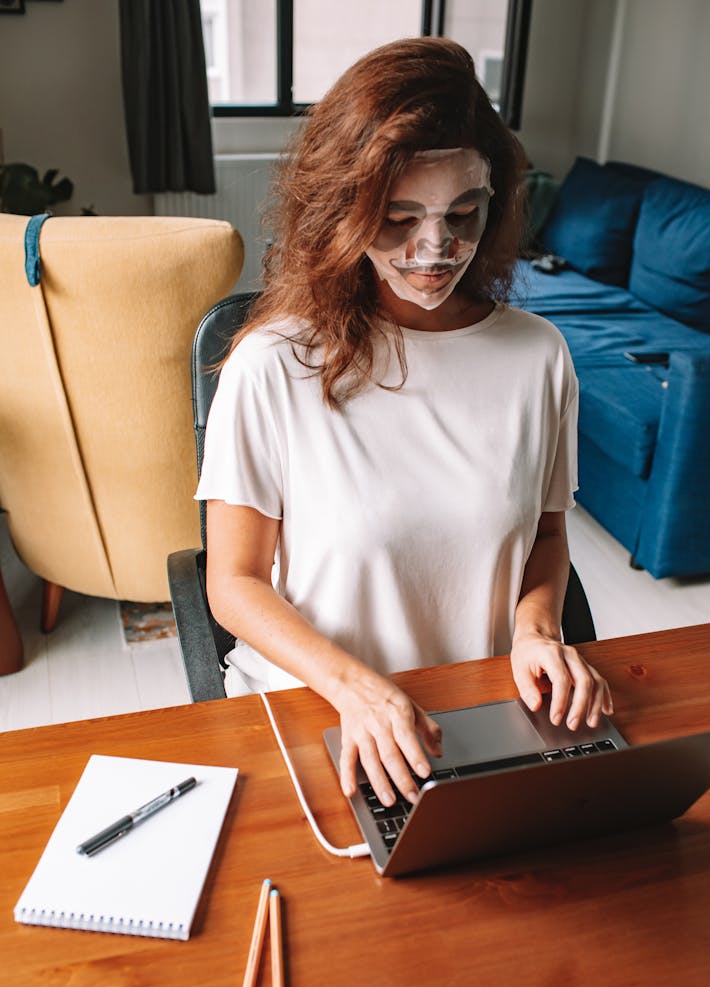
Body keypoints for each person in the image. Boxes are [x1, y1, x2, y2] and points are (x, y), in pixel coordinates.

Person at [196, 36, 613, 810]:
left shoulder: (538, 357)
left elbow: (547, 537)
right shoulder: (274, 365)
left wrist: (537, 633)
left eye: (463, 213)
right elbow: (234, 582)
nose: (436, 249)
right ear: (346, 213)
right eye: (399, 218)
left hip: (480, 714)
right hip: (314, 707)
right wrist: (355, 689)